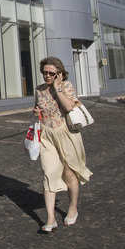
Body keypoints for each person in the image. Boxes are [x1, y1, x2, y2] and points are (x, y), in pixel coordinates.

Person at [32, 56, 92, 233]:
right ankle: (51, 219)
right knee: (48, 174)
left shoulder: (66, 86)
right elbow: (37, 109)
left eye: (51, 73)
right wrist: (37, 112)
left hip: (67, 134)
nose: (47, 76)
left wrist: (58, 89)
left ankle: (73, 207)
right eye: (45, 73)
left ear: (59, 73)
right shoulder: (39, 89)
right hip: (47, 135)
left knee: (69, 173)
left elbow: (69, 108)